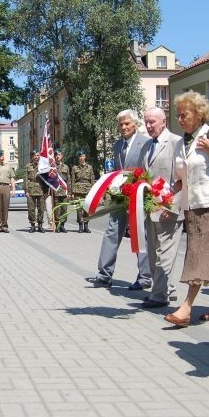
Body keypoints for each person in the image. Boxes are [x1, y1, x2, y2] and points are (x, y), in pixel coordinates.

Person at [165, 92, 209, 326]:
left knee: (199, 254)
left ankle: (186, 308)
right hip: (191, 206)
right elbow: (180, 178)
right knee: (208, 253)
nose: (180, 119)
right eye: (177, 115)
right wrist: (162, 197)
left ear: (198, 114)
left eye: (184, 114)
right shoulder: (181, 142)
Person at [85, 110, 152, 289]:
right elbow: (116, 171)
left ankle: (145, 277)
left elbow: (148, 170)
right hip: (120, 196)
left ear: (135, 124)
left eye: (127, 123)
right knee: (111, 232)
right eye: (121, 124)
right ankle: (104, 274)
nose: (123, 127)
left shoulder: (146, 143)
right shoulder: (117, 146)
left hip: (138, 195)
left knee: (141, 235)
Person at [139, 108, 183, 308]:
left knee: (165, 252)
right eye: (146, 122)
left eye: (152, 122)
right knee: (153, 251)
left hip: (169, 208)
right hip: (150, 208)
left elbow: (181, 179)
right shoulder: (147, 146)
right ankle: (168, 288)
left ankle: (158, 295)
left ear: (164, 121)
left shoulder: (176, 143)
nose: (148, 126)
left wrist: (172, 205)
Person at [70, 150, 95, 233]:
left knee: (86, 208)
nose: (81, 158)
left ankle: (86, 226)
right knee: (79, 209)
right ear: (78, 158)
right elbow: (73, 180)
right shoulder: (75, 168)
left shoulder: (90, 167)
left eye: (83, 156)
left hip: (88, 190)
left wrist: (93, 191)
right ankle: (80, 226)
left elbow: (92, 180)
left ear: (85, 157)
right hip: (78, 191)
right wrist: (72, 192)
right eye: (80, 156)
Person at [24, 151, 46, 233]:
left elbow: (46, 180)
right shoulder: (28, 166)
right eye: (34, 155)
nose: (36, 157)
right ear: (32, 157)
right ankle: (32, 225)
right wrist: (26, 190)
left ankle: (40, 225)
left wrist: (46, 192)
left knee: (41, 209)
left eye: (37, 155)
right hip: (31, 190)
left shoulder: (43, 166)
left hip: (41, 189)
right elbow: (25, 179)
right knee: (31, 209)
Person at [52, 148, 70, 232]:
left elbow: (68, 180)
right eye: (56, 155)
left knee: (64, 209)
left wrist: (69, 191)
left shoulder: (66, 167)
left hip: (64, 191)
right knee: (56, 210)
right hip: (55, 191)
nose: (57, 156)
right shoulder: (52, 167)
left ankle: (62, 225)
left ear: (61, 156)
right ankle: (57, 225)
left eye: (59, 155)